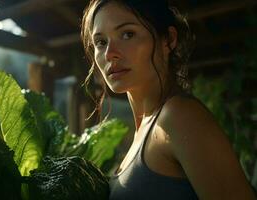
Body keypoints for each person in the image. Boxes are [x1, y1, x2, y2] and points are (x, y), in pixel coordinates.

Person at [80, 0, 257, 199]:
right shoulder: (144, 131)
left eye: (127, 34)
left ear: (169, 40)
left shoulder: (178, 116)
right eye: (101, 42)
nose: (110, 53)